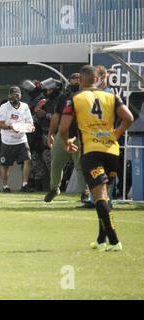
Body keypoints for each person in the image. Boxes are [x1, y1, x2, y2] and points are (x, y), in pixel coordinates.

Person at [59, 65, 134, 252]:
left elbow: (63, 128)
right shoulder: (111, 96)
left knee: (99, 195)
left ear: (82, 80)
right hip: (111, 151)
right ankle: (101, 240)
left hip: (91, 151)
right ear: (97, 79)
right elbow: (129, 118)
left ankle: (115, 241)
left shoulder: (75, 98)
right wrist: (115, 134)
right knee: (104, 194)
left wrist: (66, 141)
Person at [45, 73, 89, 203]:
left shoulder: (86, 96)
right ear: (69, 81)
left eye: (78, 79)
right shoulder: (63, 98)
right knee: (56, 162)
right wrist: (51, 134)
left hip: (79, 134)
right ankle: (54, 188)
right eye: (73, 79)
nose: (75, 82)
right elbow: (56, 116)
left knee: (80, 165)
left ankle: (84, 192)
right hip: (62, 134)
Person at [0, 86, 35, 193]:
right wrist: (11, 127)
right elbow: (0, 124)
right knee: (5, 164)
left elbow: (30, 121)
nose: (15, 97)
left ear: (21, 96)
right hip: (7, 140)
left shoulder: (24, 106)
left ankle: (25, 184)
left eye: (17, 95)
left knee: (27, 160)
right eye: (13, 95)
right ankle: (5, 187)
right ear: (9, 96)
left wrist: (31, 127)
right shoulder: (3, 107)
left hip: (21, 139)